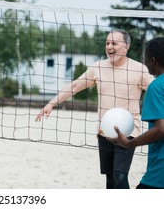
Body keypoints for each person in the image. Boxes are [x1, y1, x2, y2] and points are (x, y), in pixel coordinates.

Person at [36, 29, 154, 189]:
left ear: (126, 46)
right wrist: (51, 103)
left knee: (120, 176)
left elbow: (156, 89)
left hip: (128, 132)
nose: (109, 47)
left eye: (114, 43)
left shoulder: (138, 69)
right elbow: (75, 85)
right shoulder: (98, 67)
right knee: (110, 179)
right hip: (104, 132)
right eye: (107, 43)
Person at [110, 37, 164, 189]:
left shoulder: (157, 87)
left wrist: (128, 143)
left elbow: (160, 129)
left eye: (145, 59)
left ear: (152, 60)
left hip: (159, 175)